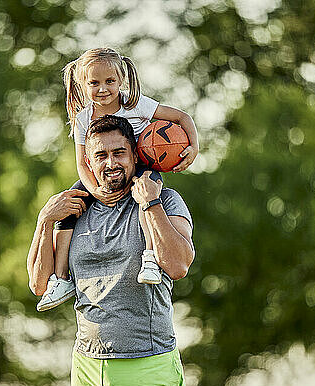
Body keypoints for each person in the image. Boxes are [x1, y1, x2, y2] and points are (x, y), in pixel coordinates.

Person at [27, 115, 195, 386]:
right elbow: (39, 284)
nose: (111, 163)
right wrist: (44, 220)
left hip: (146, 364)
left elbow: (178, 266)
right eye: (101, 155)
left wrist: (151, 203)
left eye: (119, 153)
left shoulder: (164, 199)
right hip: (86, 367)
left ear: (134, 154)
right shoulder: (73, 209)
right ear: (89, 162)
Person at [36, 47, 199, 311]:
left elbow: (182, 117)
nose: (103, 88)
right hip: (99, 177)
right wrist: (95, 191)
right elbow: (82, 162)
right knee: (68, 207)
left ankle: (150, 258)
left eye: (110, 81)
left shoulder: (135, 104)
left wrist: (193, 146)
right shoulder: (82, 118)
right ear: (82, 84)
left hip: (139, 167)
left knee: (147, 198)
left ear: (121, 79)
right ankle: (62, 277)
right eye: (94, 82)